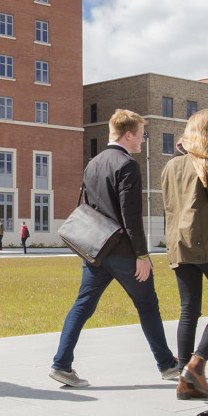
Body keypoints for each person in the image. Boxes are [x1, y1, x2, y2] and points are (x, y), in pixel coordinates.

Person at [49, 109, 180, 387]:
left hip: (95, 250)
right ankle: (168, 365)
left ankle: (61, 364)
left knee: (82, 306)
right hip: (122, 252)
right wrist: (142, 256)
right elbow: (131, 215)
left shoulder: (92, 163)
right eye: (142, 134)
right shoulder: (128, 165)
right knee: (147, 304)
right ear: (128, 134)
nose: (143, 140)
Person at [160, 111, 208, 400]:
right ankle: (197, 363)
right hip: (206, 241)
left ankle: (184, 374)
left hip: (178, 243)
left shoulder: (170, 166)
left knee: (189, 309)